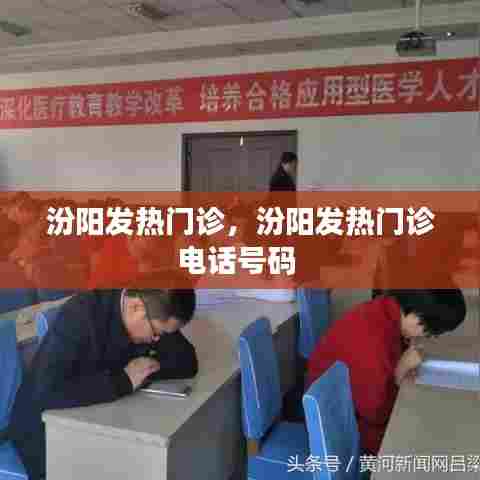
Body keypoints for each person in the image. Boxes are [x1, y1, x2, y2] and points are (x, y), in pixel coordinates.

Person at [7, 283, 197, 480]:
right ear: (136, 308)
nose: (156, 340)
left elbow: (187, 361)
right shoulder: (81, 314)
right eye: (156, 333)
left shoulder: (154, 309)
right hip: (45, 432)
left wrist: (143, 367)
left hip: (96, 419)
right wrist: (124, 380)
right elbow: (47, 391)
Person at [306, 289, 466, 456]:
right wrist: (400, 370)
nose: (424, 337)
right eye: (427, 332)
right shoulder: (373, 341)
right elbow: (377, 415)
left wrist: (405, 346)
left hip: (348, 408)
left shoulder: (385, 307)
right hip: (340, 430)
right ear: (416, 318)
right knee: (425, 441)